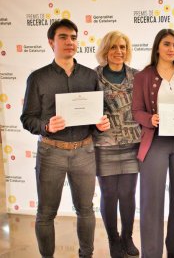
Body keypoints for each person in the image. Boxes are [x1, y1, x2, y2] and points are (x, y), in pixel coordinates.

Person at [20, 19, 110, 258]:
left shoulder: (91, 76)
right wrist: (46, 125)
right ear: (51, 42)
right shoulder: (38, 78)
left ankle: (86, 255)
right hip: (51, 153)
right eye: (63, 37)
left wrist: (101, 124)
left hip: (84, 152)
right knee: (46, 213)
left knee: (86, 210)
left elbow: (99, 114)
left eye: (73, 37)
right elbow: (27, 118)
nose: (69, 42)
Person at [132, 28, 174, 258]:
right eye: (166, 44)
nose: (171, 49)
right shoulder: (143, 75)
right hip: (155, 142)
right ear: (157, 47)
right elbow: (136, 111)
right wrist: (149, 119)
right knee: (152, 200)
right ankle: (151, 253)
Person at [94, 31, 141, 258]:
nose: (118, 51)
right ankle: (113, 240)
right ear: (105, 50)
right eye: (113, 47)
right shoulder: (92, 77)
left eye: (122, 47)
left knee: (128, 193)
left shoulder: (137, 76)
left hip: (133, 143)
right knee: (109, 193)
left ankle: (127, 236)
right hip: (105, 145)